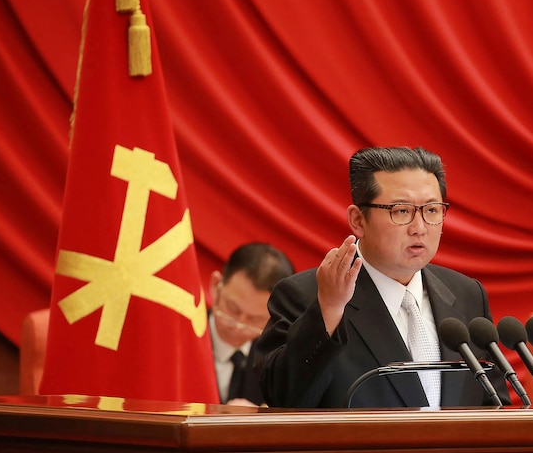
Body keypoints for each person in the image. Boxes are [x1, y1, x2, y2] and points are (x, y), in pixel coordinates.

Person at [250, 146, 511, 409]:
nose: (419, 228)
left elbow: (493, 404)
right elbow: (284, 400)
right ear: (358, 220)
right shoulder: (307, 295)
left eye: (431, 210)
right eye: (401, 211)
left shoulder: (467, 294)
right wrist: (328, 311)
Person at [209, 242, 295, 406]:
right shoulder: (177, 340)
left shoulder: (279, 361)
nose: (238, 326)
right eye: (233, 309)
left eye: (255, 320)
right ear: (215, 286)